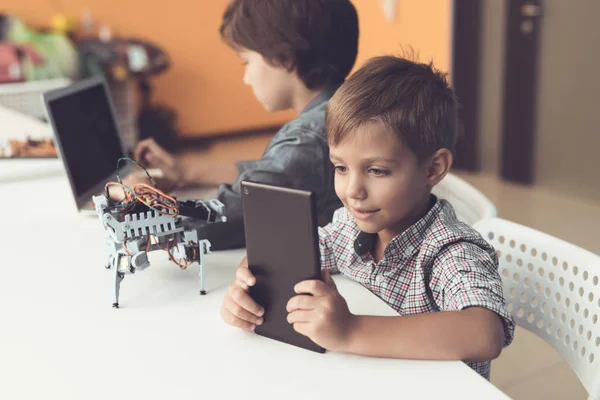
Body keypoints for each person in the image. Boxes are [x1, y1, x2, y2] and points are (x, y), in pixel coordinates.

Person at [219, 55, 515, 380]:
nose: (353, 191)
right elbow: (300, 250)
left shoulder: (452, 250)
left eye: (376, 171)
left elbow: (485, 333)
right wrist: (253, 278)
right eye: (341, 167)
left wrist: (351, 329)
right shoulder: (349, 223)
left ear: (433, 169)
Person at [129, 0, 359, 249]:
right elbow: (272, 175)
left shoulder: (308, 138)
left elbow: (222, 220)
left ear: (282, 58)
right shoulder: (340, 109)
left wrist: (142, 198)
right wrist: (183, 171)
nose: (246, 78)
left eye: (246, 61)